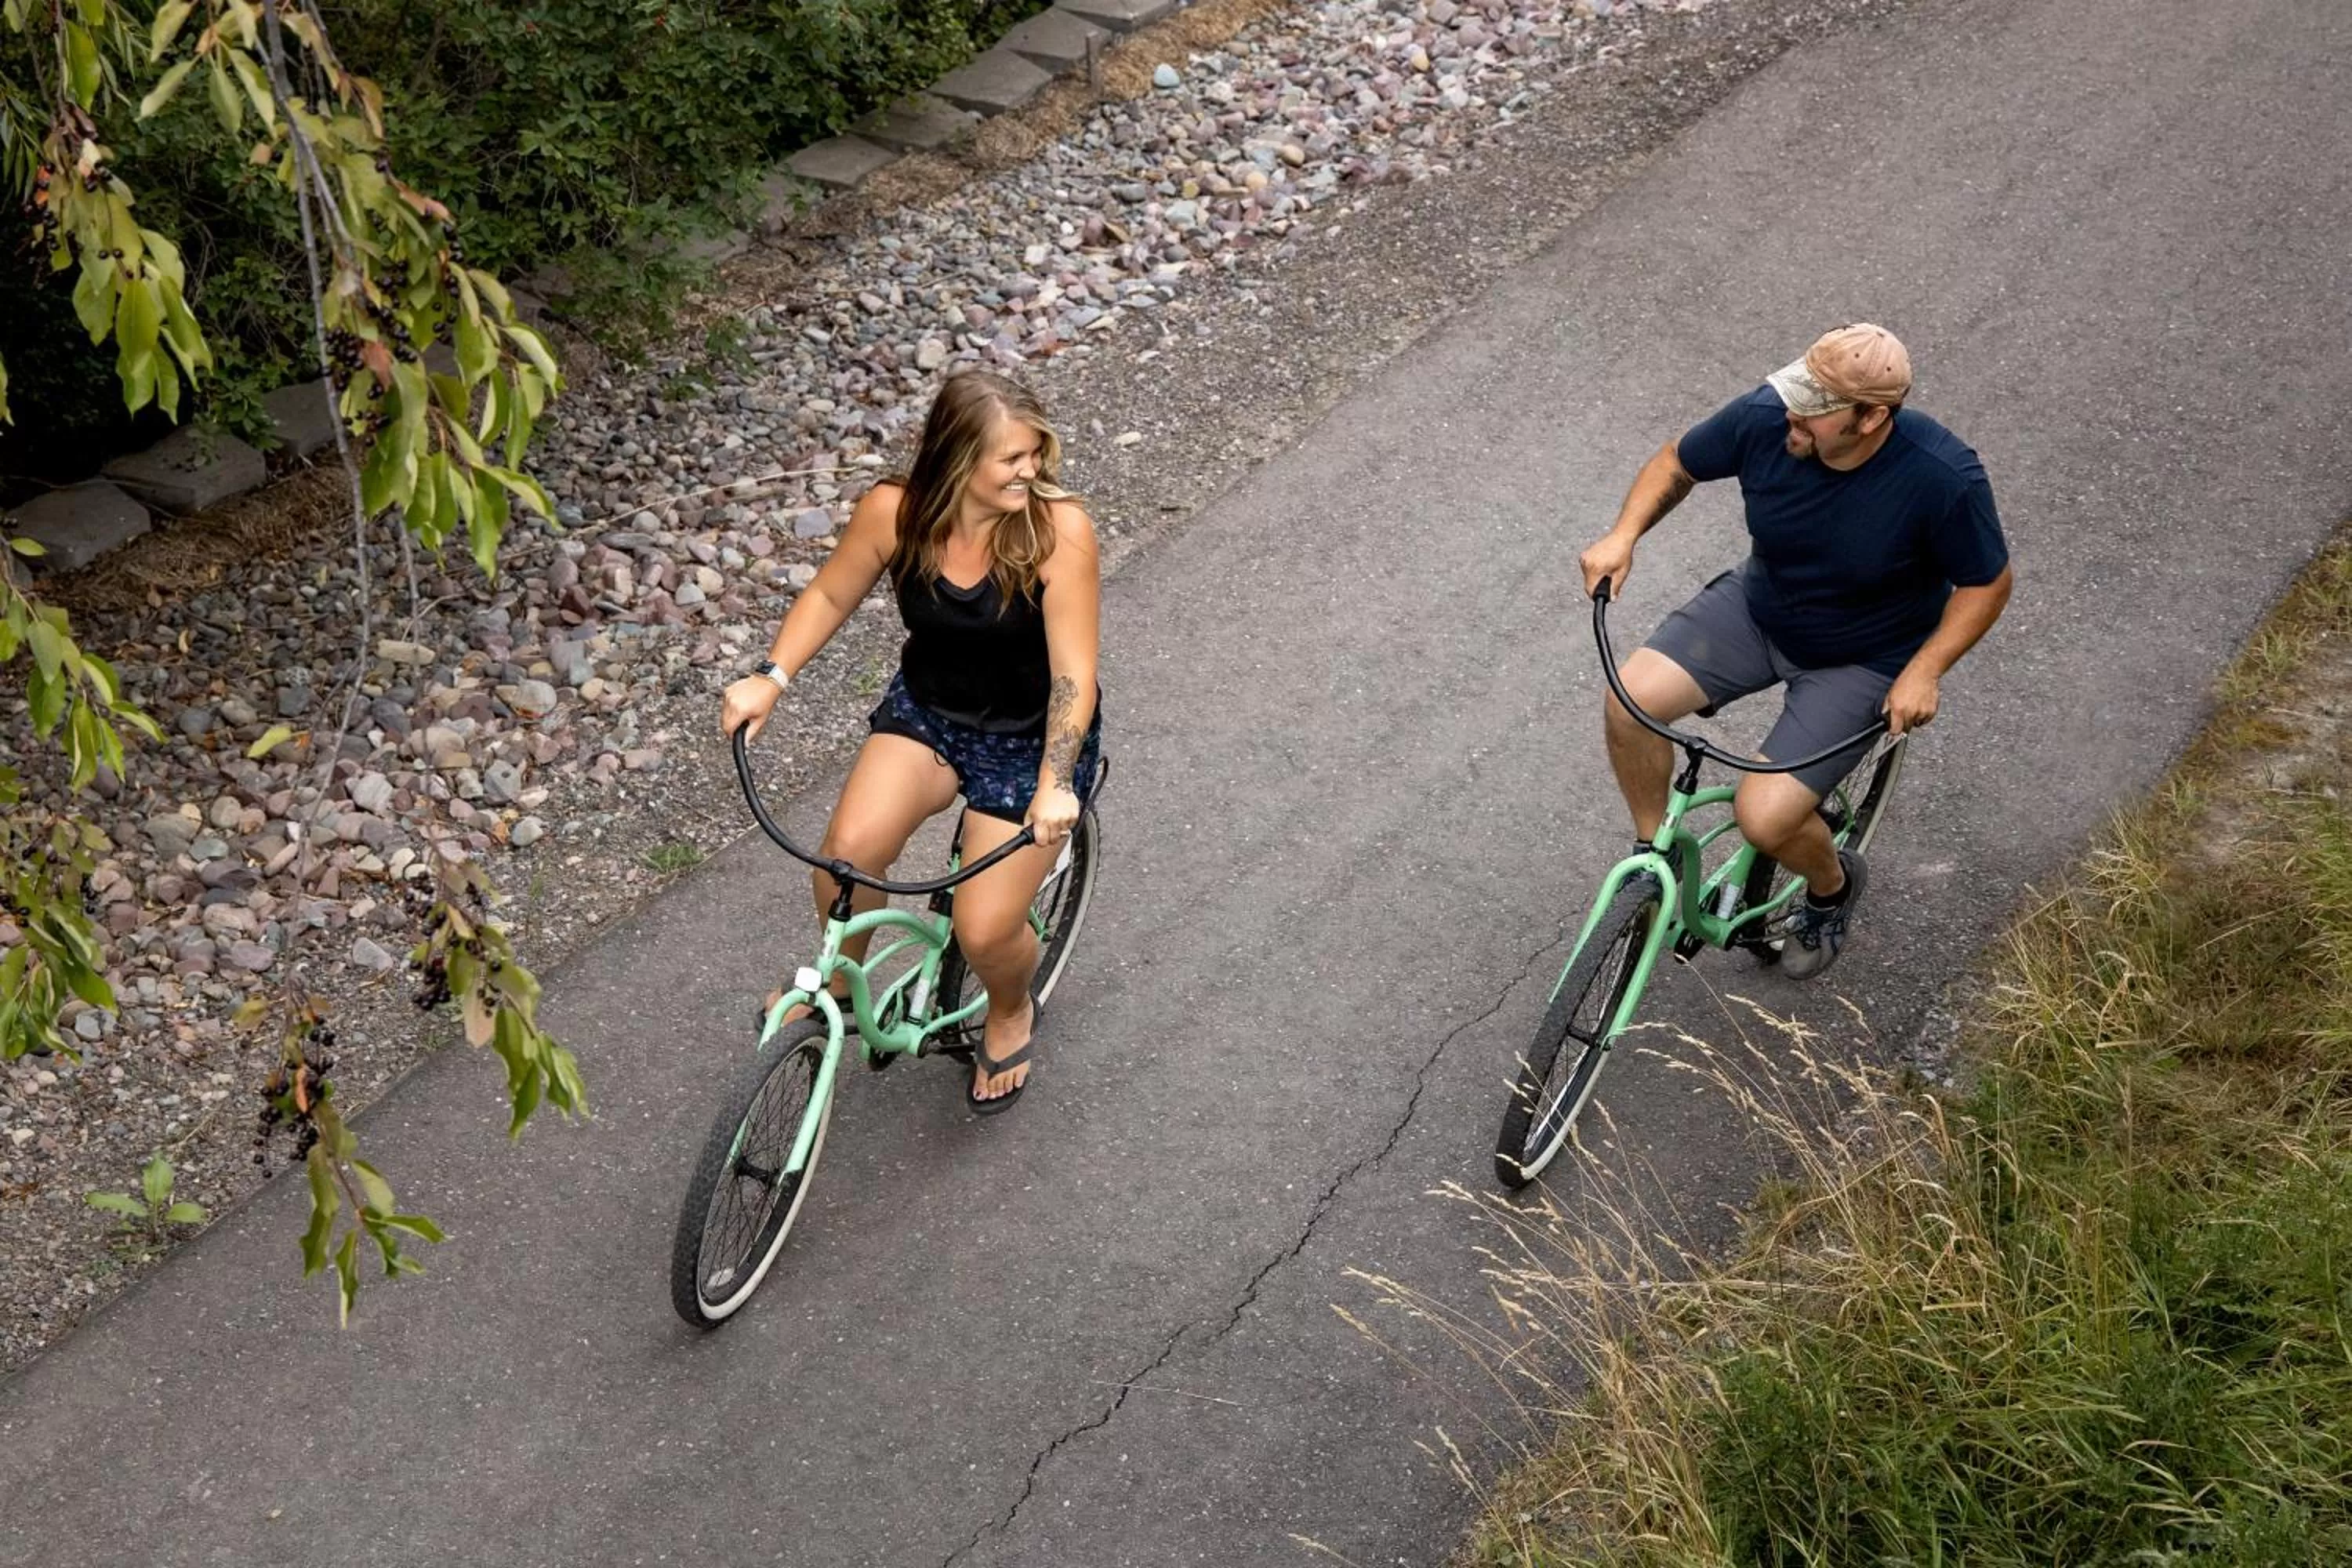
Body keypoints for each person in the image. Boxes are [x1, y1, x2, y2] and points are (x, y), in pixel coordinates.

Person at [1577, 323, 2012, 978]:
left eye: (1815, 407)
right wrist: (1624, 534)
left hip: (1863, 658)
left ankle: (1831, 888)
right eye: (1796, 393)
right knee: (1629, 700)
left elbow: (1987, 582)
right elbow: (1677, 462)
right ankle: (1653, 854)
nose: (1792, 414)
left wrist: (1925, 669)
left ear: (1870, 419)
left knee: (1766, 819)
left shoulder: (1941, 478)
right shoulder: (1768, 418)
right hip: (1760, 610)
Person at [720, 369, 1102, 1112]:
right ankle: (834, 992)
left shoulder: (1059, 533)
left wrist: (1057, 780)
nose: (1032, 471)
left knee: (986, 929)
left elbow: (1073, 677)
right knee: (845, 860)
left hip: (1031, 741)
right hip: (930, 715)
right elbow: (832, 592)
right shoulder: (895, 512)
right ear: (958, 460)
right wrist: (772, 675)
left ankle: (1009, 1007)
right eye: (1012, 459)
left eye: (1036, 453)